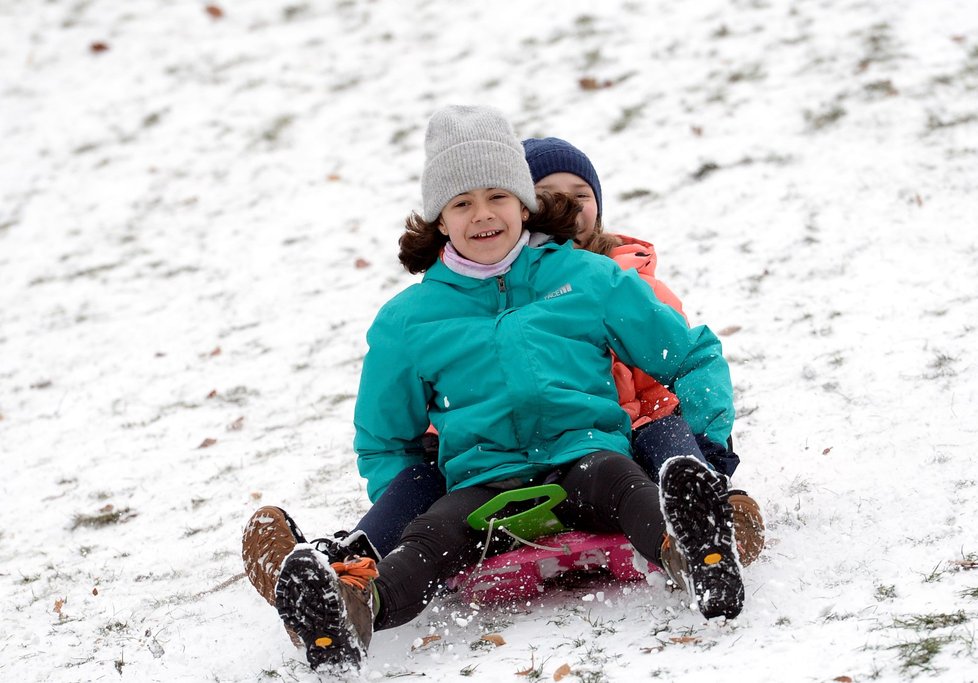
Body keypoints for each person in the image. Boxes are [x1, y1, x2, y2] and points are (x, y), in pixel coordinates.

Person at [254, 105, 746, 671]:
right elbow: (385, 439)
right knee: (430, 537)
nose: (483, 215)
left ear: (524, 204)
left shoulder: (588, 279)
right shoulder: (409, 320)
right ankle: (351, 612)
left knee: (625, 486)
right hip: (484, 480)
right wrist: (414, 493)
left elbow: (686, 354)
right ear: (440, 219)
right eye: (462, 203)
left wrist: (709, 449)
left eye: (498, 197)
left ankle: (696, 551)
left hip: (585, 454)